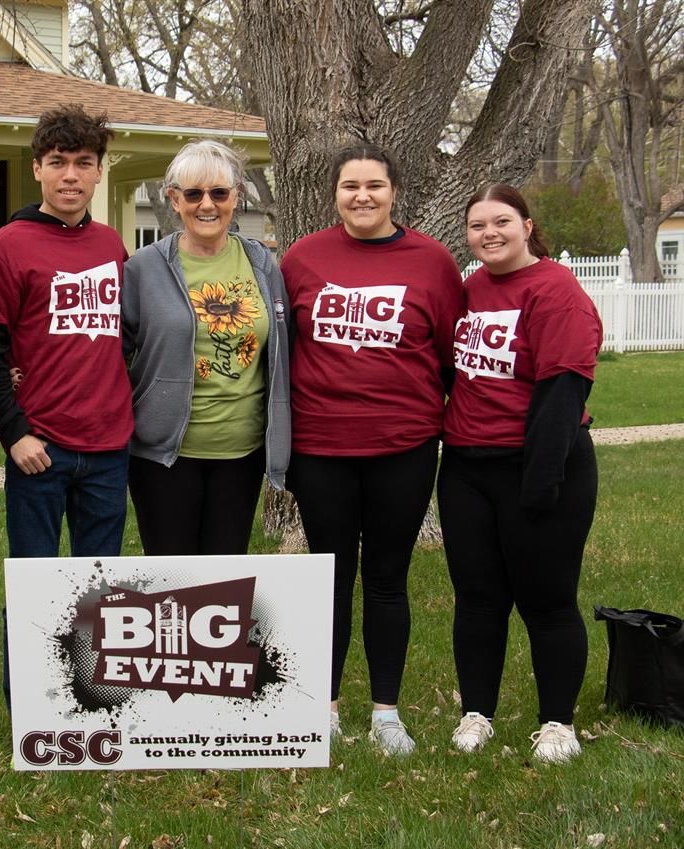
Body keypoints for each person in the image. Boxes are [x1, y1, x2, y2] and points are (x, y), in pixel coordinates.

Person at [280, 144, 463, 755]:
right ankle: (324, 708)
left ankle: (387, 713)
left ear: (394, 192)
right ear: (335, 193)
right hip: (322, 446)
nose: (363, 196)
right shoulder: (303, 258)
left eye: (375, 186)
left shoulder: (432, 262)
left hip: (403, 447)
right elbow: (282, 347)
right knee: (328, 579)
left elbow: (448, 358)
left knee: (388, 579)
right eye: (351, 186)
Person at [0, 104, 133, 708]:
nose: (71, 175)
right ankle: (34, 704)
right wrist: (13, 434)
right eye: (58, 163)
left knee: (100, 587)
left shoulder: (112, 243)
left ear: (98, 173)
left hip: (108, 446)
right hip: (39, 447)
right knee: (37, 581)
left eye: (83, 164)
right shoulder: (7, 247)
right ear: (38, 168)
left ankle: (93, 698)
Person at [438, 183, 602, 764]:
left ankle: (558, 723)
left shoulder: (556, 291)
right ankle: (476, 714)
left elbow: (562, 393)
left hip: (540, 466)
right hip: (466, 468)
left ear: (528, 226)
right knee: (478, 599)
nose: (490, 233)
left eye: (502, 221)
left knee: (547, 600)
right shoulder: (472, 288)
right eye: (478, 224)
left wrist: (540, 483)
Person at [121, 140, 290, 555]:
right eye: (193, 194)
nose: (207, 205)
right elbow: (114, 354)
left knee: (223, 577)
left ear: (237, 196)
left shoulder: (263, 264)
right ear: (173, 199)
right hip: (164, 456)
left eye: (219, 192)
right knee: (171, 580)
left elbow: (283, 349)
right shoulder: (144, 267)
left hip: (242, 451)